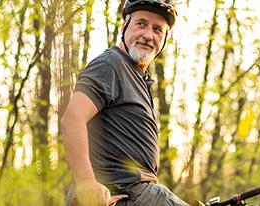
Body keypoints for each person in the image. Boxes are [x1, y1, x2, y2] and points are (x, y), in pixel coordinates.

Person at [60, 0, 187, 206]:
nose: (148, 35)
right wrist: (85, 183)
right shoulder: (111, 64)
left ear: (164, 40)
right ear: (124, 26)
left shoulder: (137, 77)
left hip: (139, 193)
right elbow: (72, 118)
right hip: (124, 192)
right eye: (141, 24)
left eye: (157, 29)